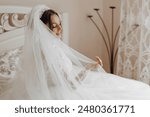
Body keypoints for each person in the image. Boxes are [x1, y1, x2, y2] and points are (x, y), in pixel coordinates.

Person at [0, 5, 150, 100]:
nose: (60, 29)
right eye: (54, 26)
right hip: (60, 94)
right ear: (43, 28)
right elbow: (70, 84)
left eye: (60, 25)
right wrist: (89, 68)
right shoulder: (48, 53)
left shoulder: (47, 49)